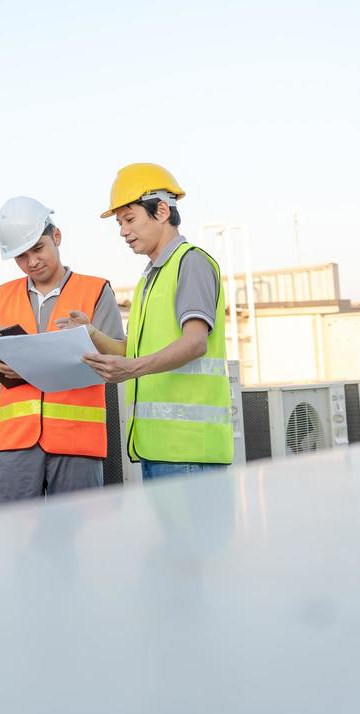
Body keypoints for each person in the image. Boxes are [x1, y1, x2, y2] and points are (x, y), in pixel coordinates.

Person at [64, 164, 233, 479]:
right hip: (157, 449)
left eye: (130, 219)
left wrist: (132, 369)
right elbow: (132, 350)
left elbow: (195, 342)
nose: (123, 231)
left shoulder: (190, 262)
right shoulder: (149, 279)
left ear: (162, 211)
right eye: (119, 223)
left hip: (190, 452)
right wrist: (91, 332)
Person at [0, 196, 124, 502]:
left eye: (38, 248)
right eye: (21, 256)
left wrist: (87, 336)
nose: (32, 262)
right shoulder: (3, 296)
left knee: (77, 540)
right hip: (16, 443)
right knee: (12, 536)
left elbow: (118, 361)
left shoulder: (95, 290)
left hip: (77, 443)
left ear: (56, 236)